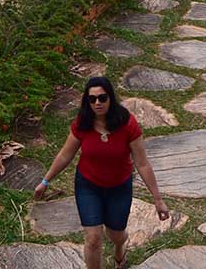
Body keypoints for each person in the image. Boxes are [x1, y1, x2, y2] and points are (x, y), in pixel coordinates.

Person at [33, 76, 170, 269]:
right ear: (87, 101)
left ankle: (120, 248)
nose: (97, 102)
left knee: (116, 235)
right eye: (92, 99)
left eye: (102, 98)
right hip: (88, 186)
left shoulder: (127, 124)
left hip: (119, 188)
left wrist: (157, 199)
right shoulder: (83, 123)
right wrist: (45, 182)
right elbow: (65, 155)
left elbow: (142, 163)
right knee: (93, 238)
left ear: (110, 98)